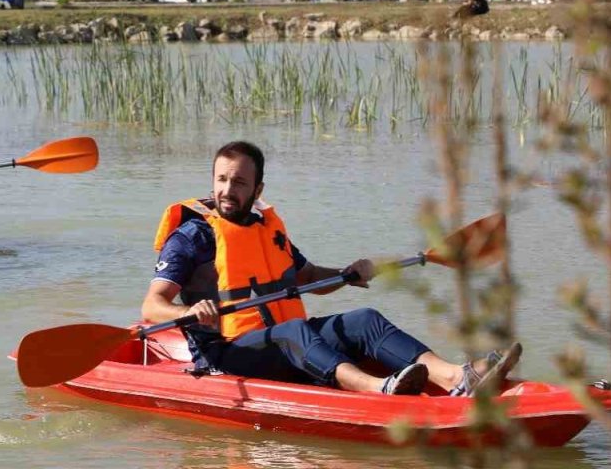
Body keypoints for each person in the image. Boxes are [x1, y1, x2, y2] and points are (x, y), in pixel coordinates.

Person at [142, 141, 522, 396]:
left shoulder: (265, 230)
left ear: (257, 190)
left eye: (239, 182)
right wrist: (189, 311)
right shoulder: (193, 237)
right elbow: (153, 306)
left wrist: (346, 275)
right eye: (222, 180)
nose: (227, 190)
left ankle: (456, 377)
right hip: (225, 355)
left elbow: (307, 278)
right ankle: (377, 389)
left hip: (277, 343)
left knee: (364, 319)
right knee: (293, 333)